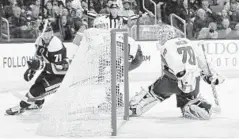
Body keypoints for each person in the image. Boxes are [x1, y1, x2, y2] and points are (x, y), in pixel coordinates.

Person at [129, 26, 224, 120]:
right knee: (187, 102)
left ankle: (134, 107)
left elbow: (174, 60)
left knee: (153, 92)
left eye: (162, 36)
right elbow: (203, 62)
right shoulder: (188, 42)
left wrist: (181, 74)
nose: (161, 39)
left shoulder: (167, 45)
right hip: (194, 81)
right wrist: (211, 76)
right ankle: (200, 106)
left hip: (174, 81)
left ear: (168, 36)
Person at [6, 20, 70, 115]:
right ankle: (38, 103)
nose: (46, 36)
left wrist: (42, 65)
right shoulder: (39, 41)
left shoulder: (56, 44)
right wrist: (32, 70)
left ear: (52, 32)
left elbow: (60, 70)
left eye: (49, 33)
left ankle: (21, 107)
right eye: (44, 33)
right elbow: (38, 58)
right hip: (49, 71)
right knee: (37, 83)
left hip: (61, 76)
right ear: (40, 33)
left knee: (36, 89)